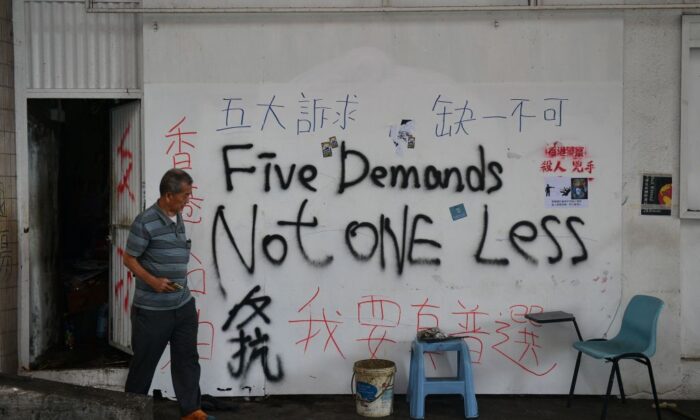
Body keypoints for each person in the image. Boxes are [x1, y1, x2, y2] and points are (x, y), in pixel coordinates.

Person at [123, 169, 215, 420]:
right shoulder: (145, 222)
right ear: (168, 195)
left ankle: (191, 411)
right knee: (144, 365)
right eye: (185, 195)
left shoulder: (177, 216)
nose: (188, 199)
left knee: (187, 359)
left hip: (182, 305)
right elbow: (128, 259)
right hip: (152, 310)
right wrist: (152, 281)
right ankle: (131, 413)